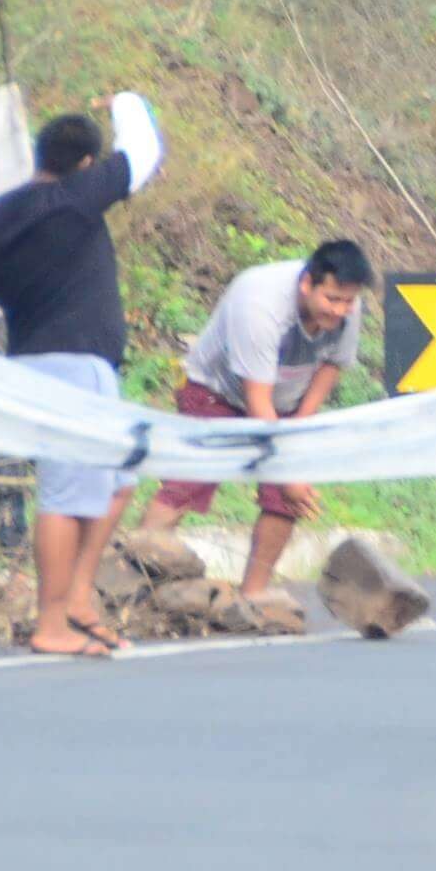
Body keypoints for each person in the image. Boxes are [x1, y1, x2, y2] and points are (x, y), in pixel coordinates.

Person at [0, 96, 163, 661]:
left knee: (119, 480)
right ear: (85, 165)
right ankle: (52, 622)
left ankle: (77, 597)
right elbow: (143, 152)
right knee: (65, 496)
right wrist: (125, 102)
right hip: (75, 365)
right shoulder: (74, 201)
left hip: (29, 359)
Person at [130, 241, 372, 611]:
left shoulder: (348, 309)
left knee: (283, 501)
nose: (340, 311)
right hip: (218, 392)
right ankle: (132, 580)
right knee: (188, 481)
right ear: (307, 284)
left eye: (347, 302)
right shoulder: (259, 305)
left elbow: (332, 366)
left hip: (287, 399)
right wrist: (286, 469)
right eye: (332, 300)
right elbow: (258, 404)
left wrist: (298, 434)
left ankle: (253, 594)